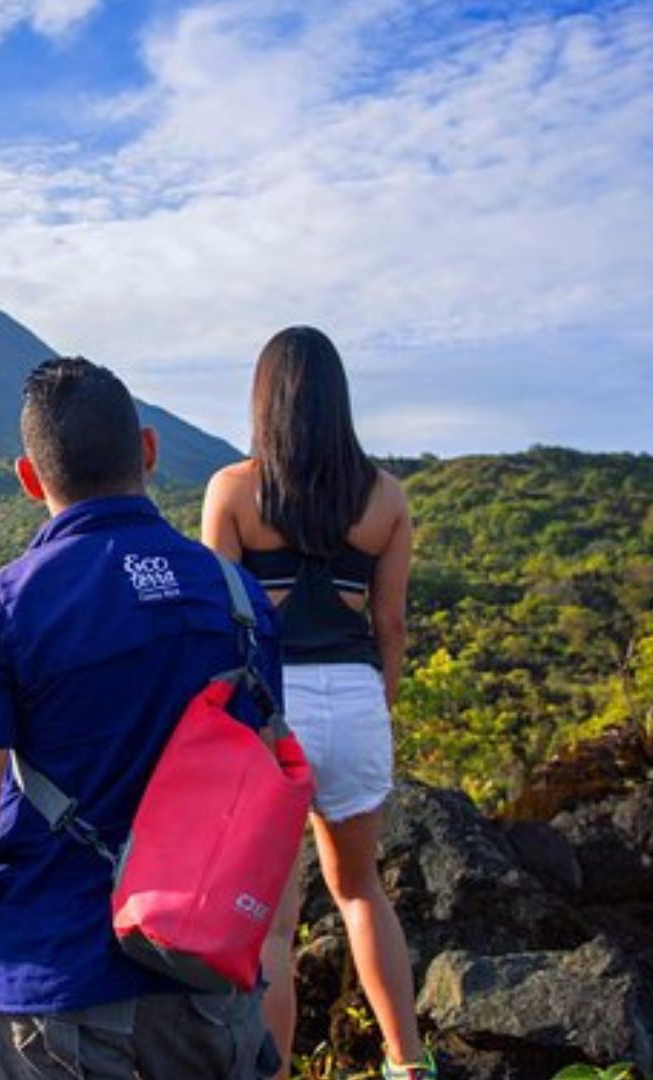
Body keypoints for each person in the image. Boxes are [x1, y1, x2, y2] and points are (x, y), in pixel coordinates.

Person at [0, 356, 283, 1078]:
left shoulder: (3, 607)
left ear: (28, 477)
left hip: (57, 979)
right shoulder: (236, 596)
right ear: (148, 449)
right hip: (210, 979)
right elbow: (265, 785)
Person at [200, 326, 433, 1080]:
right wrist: (378, 707)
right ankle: (408, 1063)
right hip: (357, 698)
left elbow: (219, 627)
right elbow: (390, 625)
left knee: (272, 926)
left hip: (272, 711)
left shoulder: (233, 491)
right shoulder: (385, 497)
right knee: (362, 890)